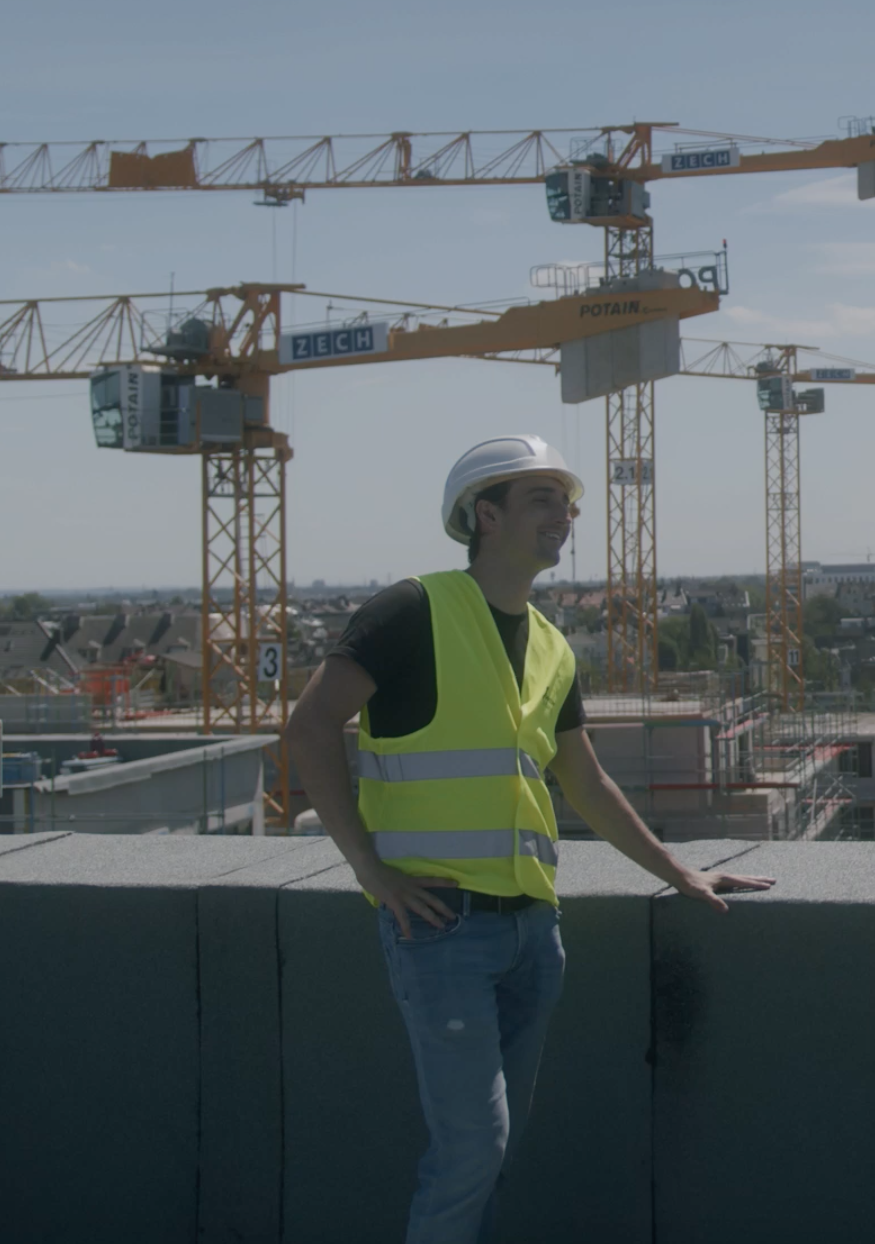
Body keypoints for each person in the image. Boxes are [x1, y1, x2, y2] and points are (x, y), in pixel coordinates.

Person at [284, 434, 772, 1244]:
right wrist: (371, 872)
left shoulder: (549, 642)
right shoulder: (412, 609)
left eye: (566, 501)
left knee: (490, 1154)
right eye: (543, 498)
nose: (566, 515)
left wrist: (678, 870)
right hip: (439, 928)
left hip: (531, 935)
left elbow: (584, 781)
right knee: (474, 1146)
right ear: (486, 514)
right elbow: (308, 729)